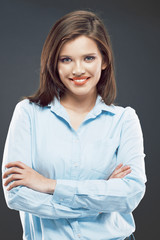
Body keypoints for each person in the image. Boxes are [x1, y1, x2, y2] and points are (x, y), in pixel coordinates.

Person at [2, 10, 146, 240]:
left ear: (104, 60)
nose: (78, 70)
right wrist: (99, 203)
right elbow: (16, 195)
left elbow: (130, 195)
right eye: (66, 59)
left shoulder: (124, 120)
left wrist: (48, 185)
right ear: (54, 63)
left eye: (88, 58)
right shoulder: (27, 114)